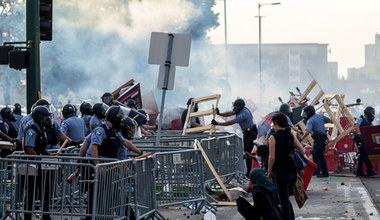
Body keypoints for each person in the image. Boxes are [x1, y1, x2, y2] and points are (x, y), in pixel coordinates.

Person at [267, 112, 305, 220]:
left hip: (280, 173)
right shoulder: (291, 135)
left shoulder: (273, 138)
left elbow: (272, 157)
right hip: (292, 173)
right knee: (285, 198)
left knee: (283, 200)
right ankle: (291, 217)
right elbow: (302, 150)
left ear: (275, 123)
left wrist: (269, 172)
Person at [212, 98, 257, 177]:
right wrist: (220, 114)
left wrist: (218, 123)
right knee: (247, 151)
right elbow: (230, 113)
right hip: (248, 133)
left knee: (248, 152)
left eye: (235, 106)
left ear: (239, 107)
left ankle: (250, 172)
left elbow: (231, 122)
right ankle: (249, 171)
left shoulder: (243, 114)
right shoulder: (240, 110)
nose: (234, 108)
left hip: (250, 133)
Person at [24, 106, 55, 220]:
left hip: (41, 165)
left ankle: (46, 216)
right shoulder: (32, 130)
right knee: (31, 192)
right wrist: (39, 160)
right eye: (44, 117)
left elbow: (41, 148)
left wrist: (49, 155)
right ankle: (27, 216)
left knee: (45, 191)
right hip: (33, 167)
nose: (46, 119)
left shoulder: (41, 129)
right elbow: (29, 148)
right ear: (38, 117)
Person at [300, 105, 330, 178]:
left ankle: (324, 172)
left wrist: (301, 138)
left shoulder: (310, 120)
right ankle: (316, 171)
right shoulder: (320, 116)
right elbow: (328, 120)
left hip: (318, 139)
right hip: (322, 138)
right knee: (314, 154)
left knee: (319, 156)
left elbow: (308, 131)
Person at [353, 106, 378, 176]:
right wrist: (359, 134)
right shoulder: (360, 119)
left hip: (366, 140)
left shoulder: (369, 121)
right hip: (360, 140)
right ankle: (369, 171)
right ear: (367, 113)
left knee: (362, 155)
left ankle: (359, 172)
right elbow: (356, 125)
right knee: (365, 154)